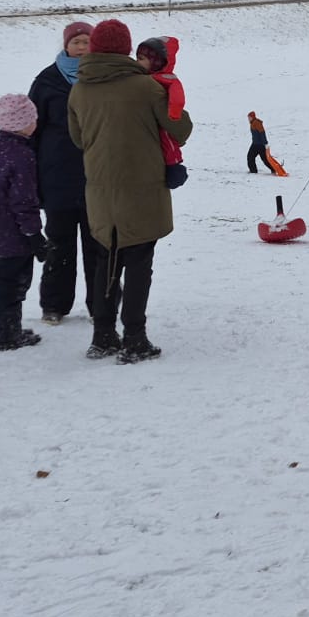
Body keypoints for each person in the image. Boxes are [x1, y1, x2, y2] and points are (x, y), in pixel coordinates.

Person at [69, 18, 194, 363]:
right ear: (126, 48)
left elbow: (78, 138)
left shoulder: (80, 88)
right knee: (139, 263)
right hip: (141, 191)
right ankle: (134, 338)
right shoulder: (145, 87)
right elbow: (180, 129)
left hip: (100, 191)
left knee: (105, 261)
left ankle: (103, 336)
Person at [28, 20, 96, 326]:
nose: (82, 47)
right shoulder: (46, 81)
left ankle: (103, 304)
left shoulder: (102, 78)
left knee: (100, 246)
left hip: (97, 177)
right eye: (77, 42)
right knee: (59, 245)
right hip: (57, 177)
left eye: (87, 42)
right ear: (66, 45)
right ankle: (53, 306)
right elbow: (32, 129)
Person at [0, 95, 49, 351]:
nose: (36, 122)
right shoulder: (22, 156)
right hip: (10, 230)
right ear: (23, 123)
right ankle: (6, 335)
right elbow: (23, 201)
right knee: (13, 283)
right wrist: (34, 235)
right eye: (32, 119)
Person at [137, 36, 188, 186]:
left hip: (164, 118)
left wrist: (173, 112)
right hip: (150, 120)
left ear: (155, 61)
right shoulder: (144, 77)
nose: (137, 62)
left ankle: (174, 165)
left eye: (141, 58)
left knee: (166, 139)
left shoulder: (165, 79)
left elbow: (178, 96)